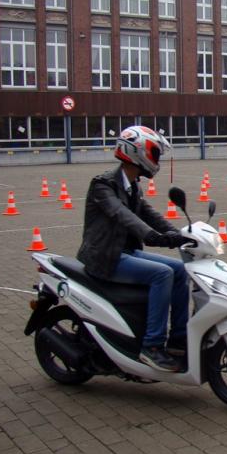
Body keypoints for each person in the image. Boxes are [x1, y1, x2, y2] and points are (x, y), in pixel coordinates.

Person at [77, 125, 195, 372]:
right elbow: (123, 216)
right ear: (138, 152)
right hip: (106, 257)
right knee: (162, 274)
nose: (157, 159)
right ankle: (151, 347)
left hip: (125, 251)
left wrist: (180, 233)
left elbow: (149, 214)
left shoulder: (133, 185)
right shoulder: (103, 185)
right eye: (155, 153)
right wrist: (152, 236)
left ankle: (178, 339)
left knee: (181, 270)